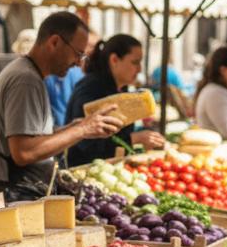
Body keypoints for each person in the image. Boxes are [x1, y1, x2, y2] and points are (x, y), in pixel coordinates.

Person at [0, 12, 122, 199]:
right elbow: (24, 152)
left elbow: (33, 139)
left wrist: (71, 128)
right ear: (55, 42)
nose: (77, 63)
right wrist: (83, 129)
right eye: (78, 53)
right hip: (3, 199)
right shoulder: (25, 80)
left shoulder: (29, 75)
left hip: (10, 196)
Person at [64, 34, 166, 166]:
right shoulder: (91, 89)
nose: (139, 69)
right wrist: (135, 139)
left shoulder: (121, 89)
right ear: (114, 60)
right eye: (135, 62)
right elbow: (86, 143)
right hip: (84, 170)